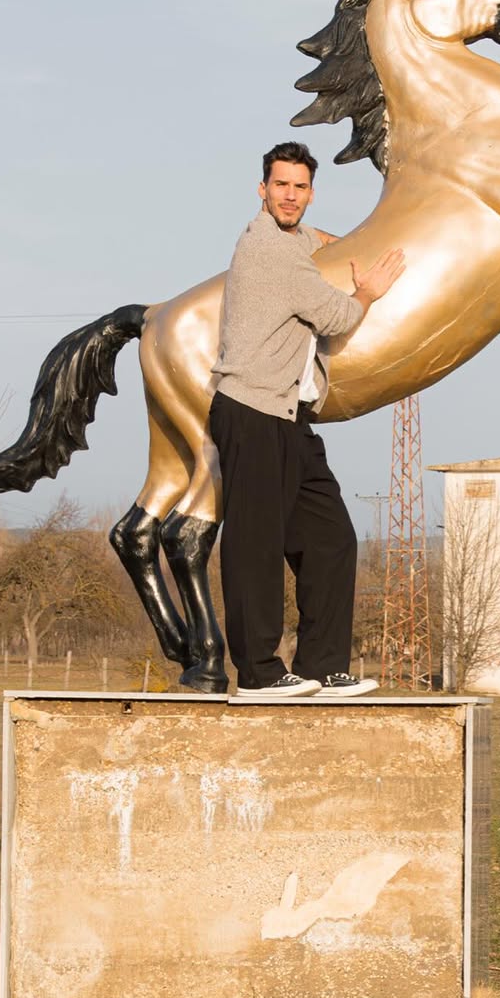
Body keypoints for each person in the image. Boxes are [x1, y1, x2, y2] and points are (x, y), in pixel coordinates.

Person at [209, 141, 405, 697]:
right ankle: (257, 673)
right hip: (250, 409)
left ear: (310, 193)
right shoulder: (269, 251)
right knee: (256, 545)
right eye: (280, 186)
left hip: (288, 414)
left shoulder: (290, 239)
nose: (290, 195)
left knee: (332, 538)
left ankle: (321, 665)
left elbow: (306, 240)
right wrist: (368, 293)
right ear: (262, 190)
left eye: (300, 188)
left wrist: (325, 238)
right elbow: (336, 317)